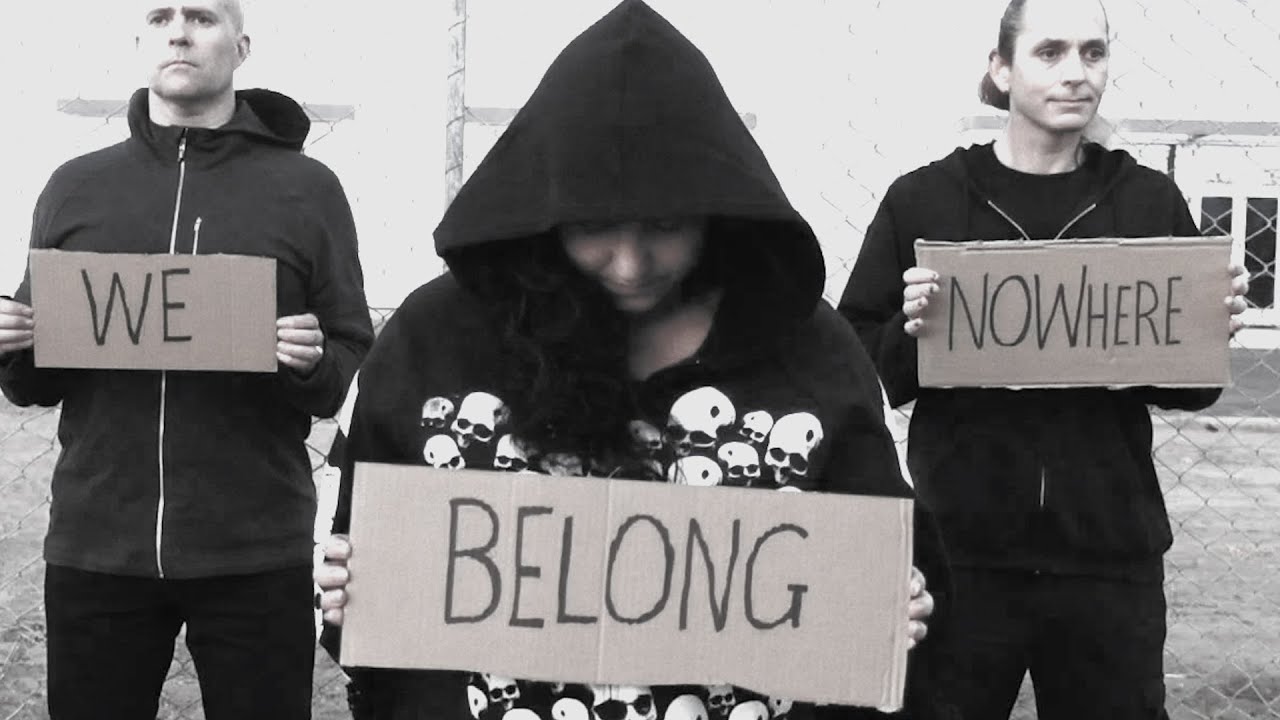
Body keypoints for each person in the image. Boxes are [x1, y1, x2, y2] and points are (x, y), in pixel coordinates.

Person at [313, 2, 955, 719]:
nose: (630, 263)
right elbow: (360, 551)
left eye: (666, 227)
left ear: (717, 212)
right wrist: (343, 587)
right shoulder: (432, 339)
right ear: (544, 212)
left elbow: (886, 557)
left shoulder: (812, 349)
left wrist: (899, 600)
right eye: (593, 229)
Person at [836, 0, 1250, 718]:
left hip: (1107, 556)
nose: (1076, 73)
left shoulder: (1146, 201)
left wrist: (1207, 329)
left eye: (1094, 52)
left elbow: (1193, 391)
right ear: (1001, 69)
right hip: (961, 554)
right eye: (1050, 52)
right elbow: (863, 360)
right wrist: (911, 329)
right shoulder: (925, 199)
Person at [0, 2, 373, 718]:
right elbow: (36, 380)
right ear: (138, 40)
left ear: (241, 45)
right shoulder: (75, 186)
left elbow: (350, 360)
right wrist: (13, 344)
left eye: (201, 16)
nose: (178, 31)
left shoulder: (307, 189)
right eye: (161, 16)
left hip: (255, 546)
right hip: (98, 543)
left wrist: (310, 361)